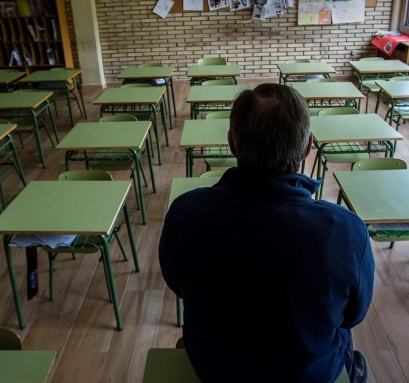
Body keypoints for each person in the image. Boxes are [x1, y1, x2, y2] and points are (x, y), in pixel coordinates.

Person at [160, 84, 374, 383]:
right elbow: (353, 316)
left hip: (215, 371)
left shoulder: (185, 213)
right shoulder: (347, 231)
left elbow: (177, 285)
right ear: (308, 146)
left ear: (232, 143)